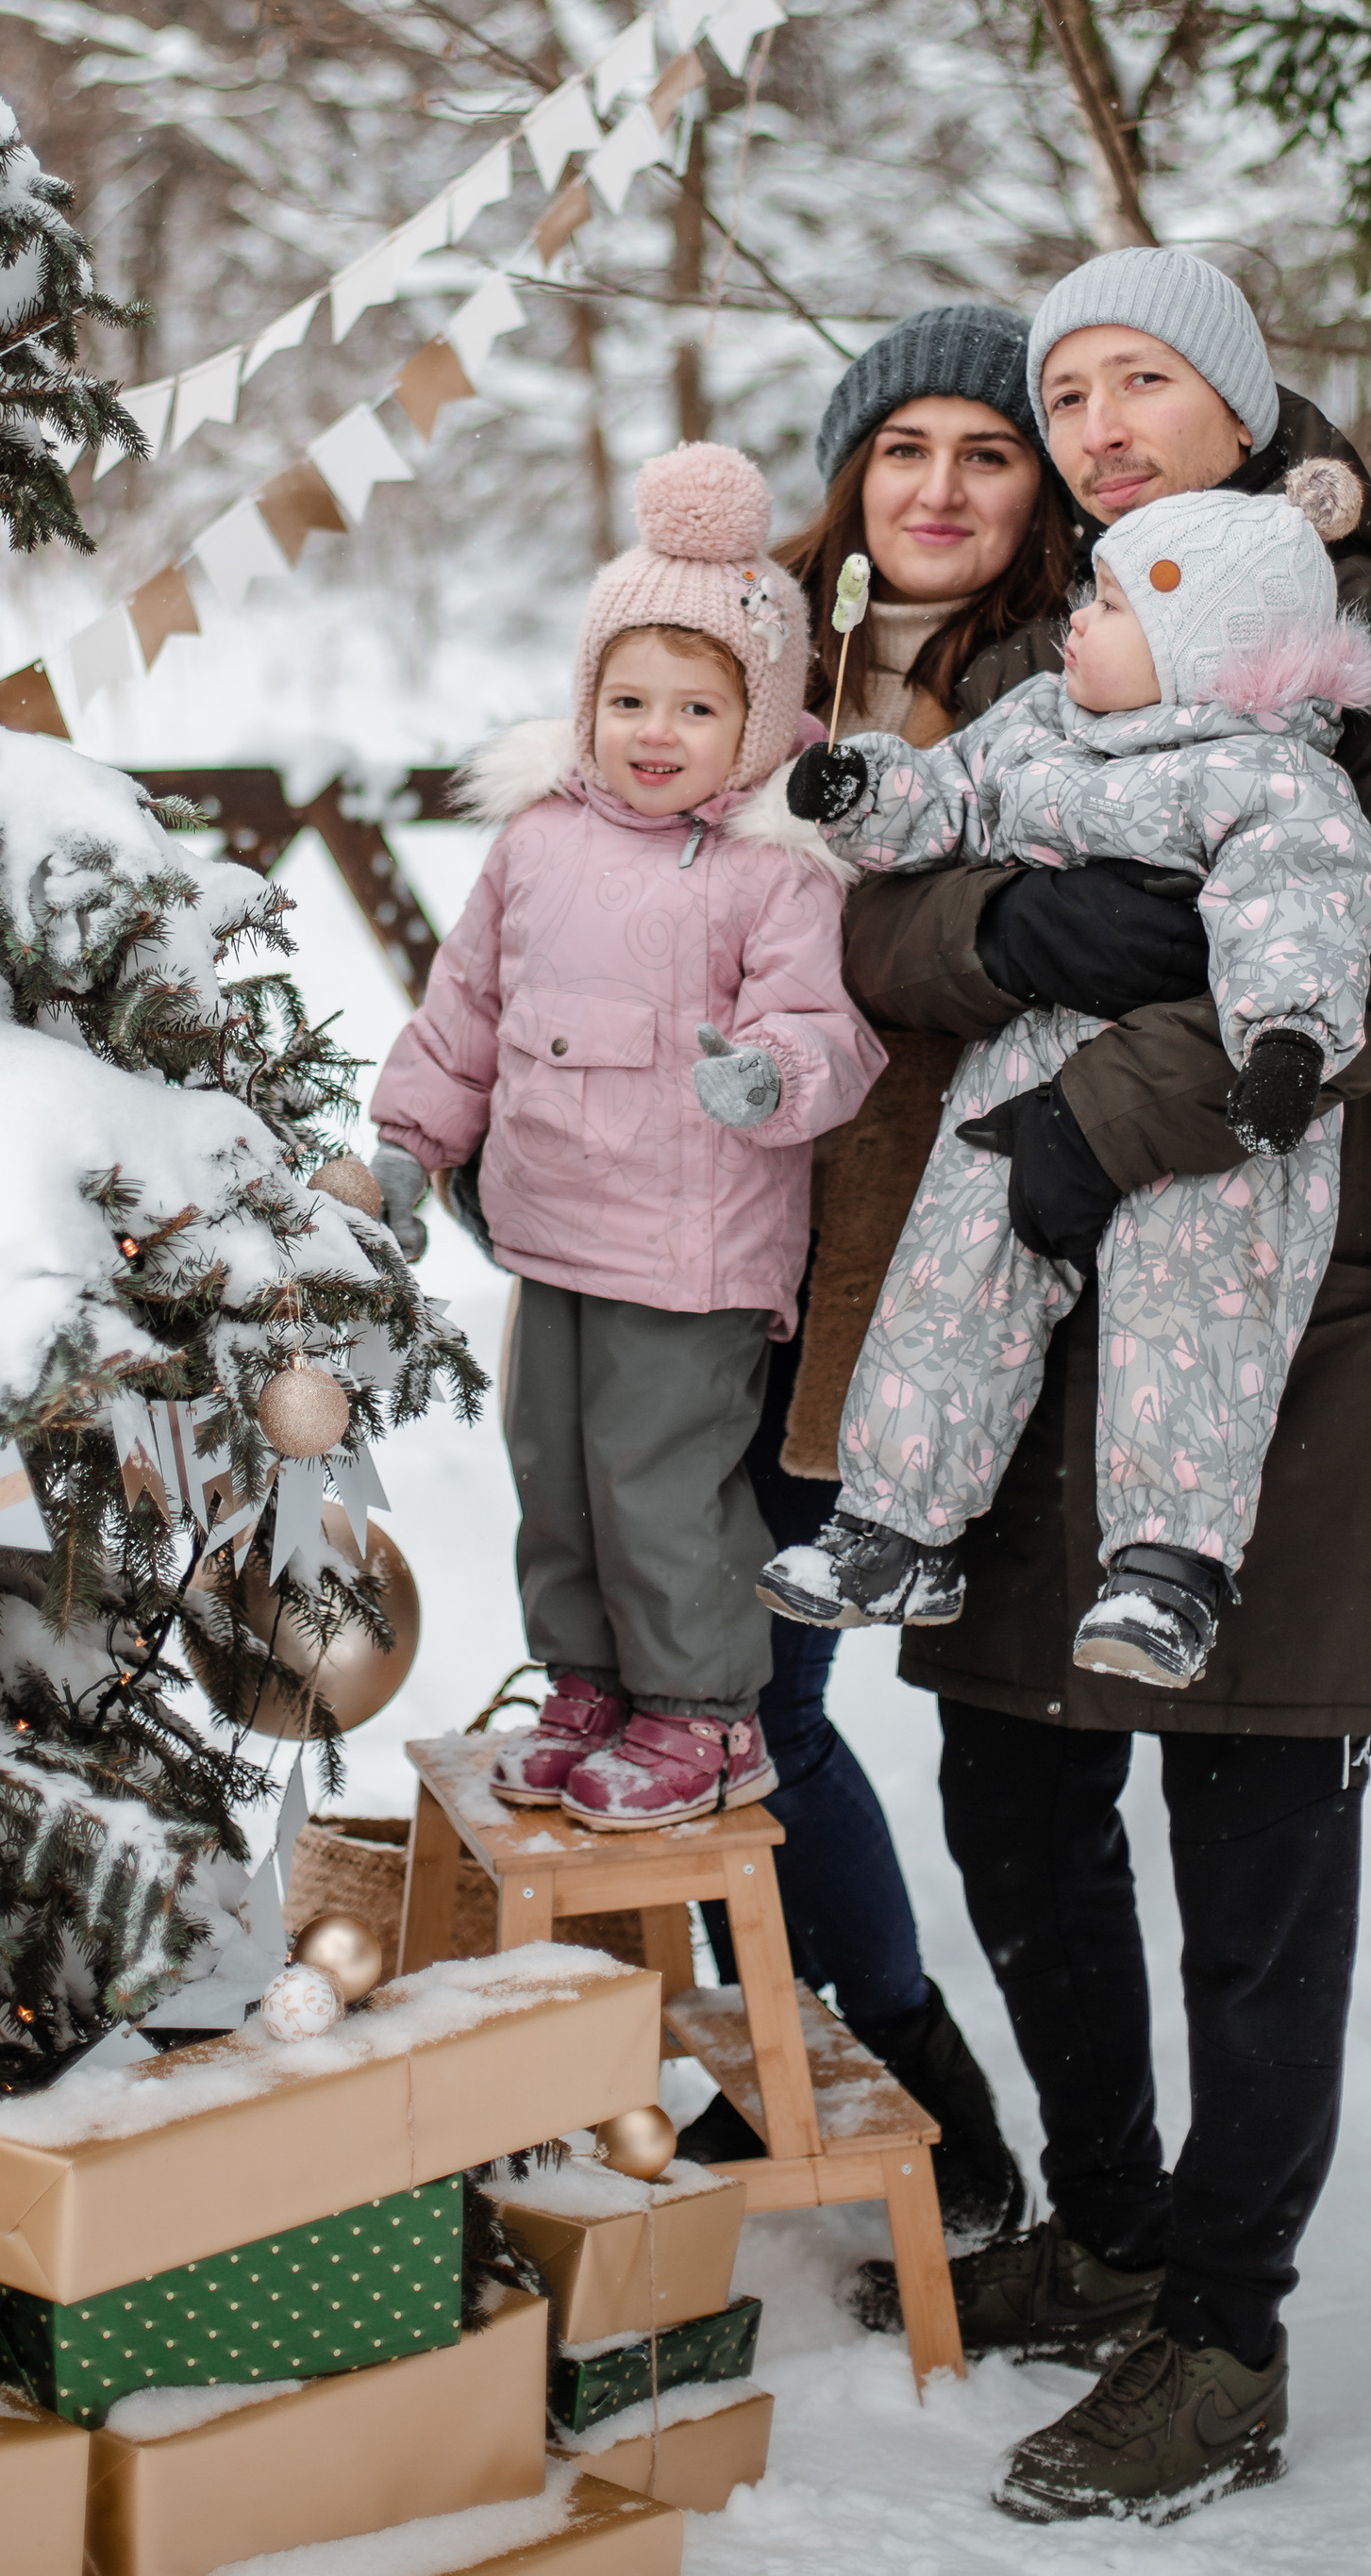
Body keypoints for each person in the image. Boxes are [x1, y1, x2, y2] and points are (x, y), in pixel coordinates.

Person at [829, 250, 1371, 2524]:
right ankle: (1109, 2217)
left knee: (1246, 1854)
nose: (1097, 419)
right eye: (1063, 392)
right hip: (1039, 1359)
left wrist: (1090, 1106)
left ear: (1240, 411)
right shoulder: (1060, 663)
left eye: (1143, 377)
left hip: (1286, 1362)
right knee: (1010, 1808)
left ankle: (1219, 2331)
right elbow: (880, 914)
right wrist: (1003, 935)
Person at [765, 478, 1371, 1688]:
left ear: (1200, 648)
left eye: (1110, 604)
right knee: (948, 1282)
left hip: (1206, 1102)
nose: (1077, 621)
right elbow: (946, 799)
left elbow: (1302, 911)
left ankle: (1169, 1567)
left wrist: (1285, 1044)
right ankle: (895, 1526)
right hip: (1023, 1066)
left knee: (1194, 1312)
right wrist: (866, 796)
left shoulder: (1272, 780)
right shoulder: (1040, 722)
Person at [679, 309, 1073, 2232]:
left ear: (1039, 487)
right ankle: (739, 2064)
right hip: (689, 1241)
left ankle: (921, 2096)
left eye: (984, 452)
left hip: (885, 1266)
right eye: (899, 446)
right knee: (657, 1682)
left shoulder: (1070, 684)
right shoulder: (764, 659)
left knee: (763, 1700)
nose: (933, 488)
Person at [367, 443, 885, 1831]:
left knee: (661, 1487)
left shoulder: (776, 871)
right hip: (553, 1232)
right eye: (630, 698)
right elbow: (465, 1005)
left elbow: (831, 1032)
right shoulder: (535, 842)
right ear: (587, 701)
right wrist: (409, 1146)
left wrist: (769, 1076)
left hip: (695, 1244)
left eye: (699, 707)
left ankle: (707, 1713)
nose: (656, 733)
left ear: (763, 719)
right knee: (557, 1478)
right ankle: (591, 1678)